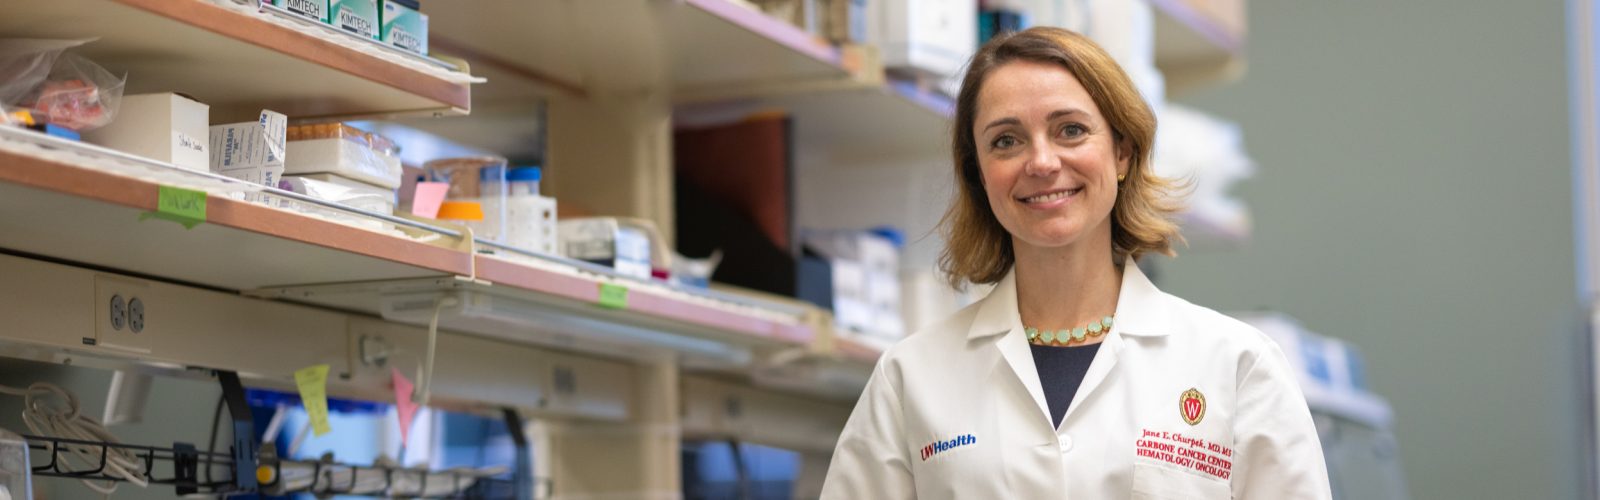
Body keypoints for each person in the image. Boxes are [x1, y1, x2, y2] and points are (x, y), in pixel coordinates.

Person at [819, 27, 1332, 499]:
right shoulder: (911, 377)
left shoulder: (1236, 365)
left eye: (1070, 130)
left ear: (1122, 152)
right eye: (1006, 141)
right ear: (979, 173)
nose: (1042, 162)